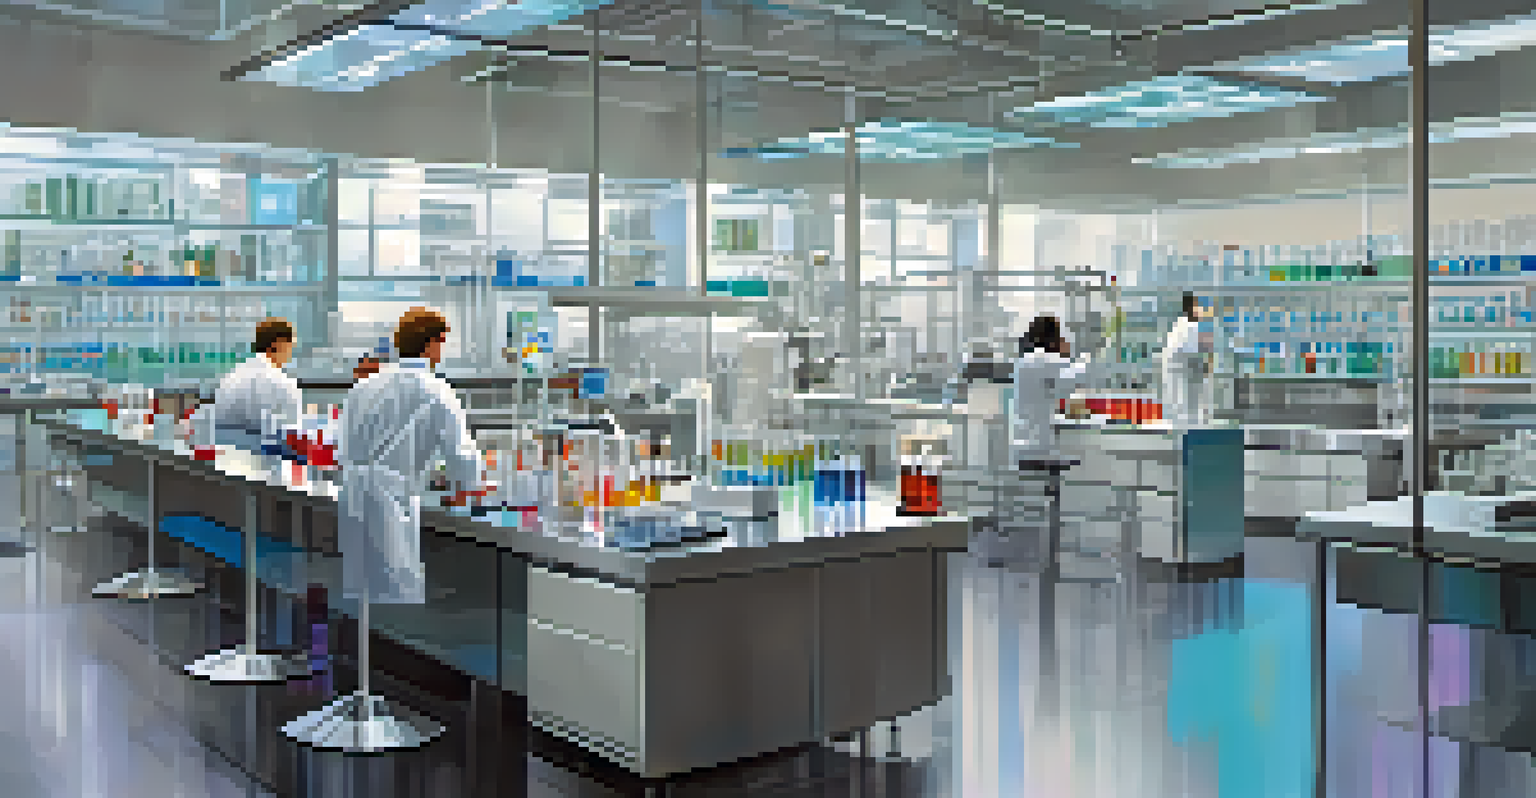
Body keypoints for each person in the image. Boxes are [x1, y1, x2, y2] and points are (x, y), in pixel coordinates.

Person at [336, 307, 482, 606]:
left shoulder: (364, 387)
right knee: (395, 596)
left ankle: (361, 650)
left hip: (352, 495)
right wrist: (465, 487)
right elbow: (463, 459)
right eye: (442, 341)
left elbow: (342, 445)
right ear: (432, 343)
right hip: (390, 499)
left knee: (359, 596)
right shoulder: (436, 390)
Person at [187, 318, 302, 450]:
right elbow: (293, 439)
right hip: (265, 462)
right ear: (279, 344)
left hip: (225, 460)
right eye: (291, 345)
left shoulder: (234, 375)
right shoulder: (283, 384)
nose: (291, 353)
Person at [1012, 315, 1088, 459]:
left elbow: (1056, 387)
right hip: (1039, 447)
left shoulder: (1024, 360)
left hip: (1022, 442)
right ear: (1053, 339)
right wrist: (1085, 358)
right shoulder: (1045, 359)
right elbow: (1077, 378)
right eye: (1062, 336)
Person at [1162, 292, 1208, 425]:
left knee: (1179, 407)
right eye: (1199, 306)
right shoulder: (1190, 326)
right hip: (1182, 374)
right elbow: (1193, 356)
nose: (1202, 310)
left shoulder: (1180, 325)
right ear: (1191, 308)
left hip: (1176, 374)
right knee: (1186, 410)